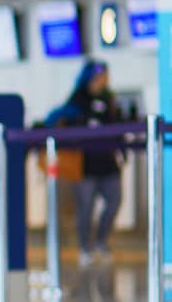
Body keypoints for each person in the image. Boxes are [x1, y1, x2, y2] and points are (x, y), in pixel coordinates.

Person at [51, 60, 123, 264]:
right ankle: (85, 247)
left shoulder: (109, 99)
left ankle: (101, 241)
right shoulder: (77, 100)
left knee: (114, 200)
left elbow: (117, 123)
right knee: (85, 207)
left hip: (107, 161)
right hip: (84, 163)